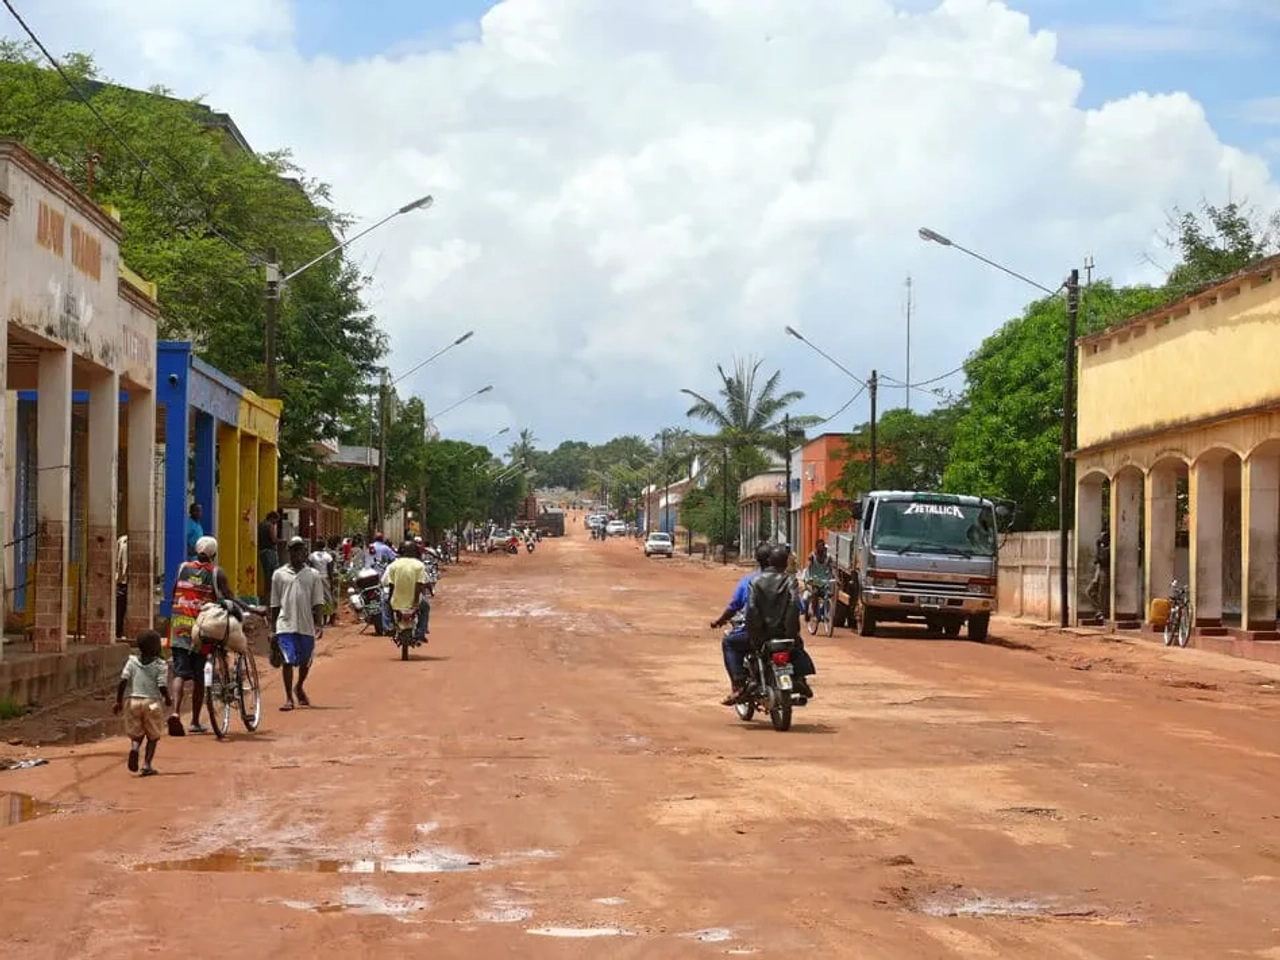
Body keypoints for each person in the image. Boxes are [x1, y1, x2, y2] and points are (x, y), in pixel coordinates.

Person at [168, 536, 237, 736]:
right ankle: (196, 721)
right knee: (200, 677)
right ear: (213, 554)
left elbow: (174, 592)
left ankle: (175, 713)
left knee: (180, 673)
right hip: (202, 629)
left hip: (179, 625)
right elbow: (229, 598)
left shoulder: (182, 568)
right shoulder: (216, 572)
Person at [746, 545, 816, 699]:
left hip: (763, 634)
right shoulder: (790, 581)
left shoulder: (755, 581)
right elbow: (793, 606)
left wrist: (756, 633)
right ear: (785, 564)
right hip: (785, 633)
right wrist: (790, 632)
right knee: (798, 648)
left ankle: (752, 680)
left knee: (752, 652)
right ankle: (799, 678)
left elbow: (751, 609)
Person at [710, 542, 773, 706]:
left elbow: (734, 606)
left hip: (756, 634)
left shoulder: (749, 582)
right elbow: (801, 607)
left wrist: (719, 621)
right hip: (784, 634)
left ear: (757, 560)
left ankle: (738, 684)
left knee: (729, 642)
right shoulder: (788, 580)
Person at [271, 536, 326, 711]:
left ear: (305, 552)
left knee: (305, 661)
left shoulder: (313, 575)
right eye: (293, 550)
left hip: (306, 625)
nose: (297, 553)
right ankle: (288, 698)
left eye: (300, 549)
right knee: (287, 660)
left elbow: (318, 601)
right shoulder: (279, 574)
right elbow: (274, 603)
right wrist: (272, 629)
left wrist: (319, 623)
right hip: (285, 624)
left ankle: (299, 686)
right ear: (289, 552)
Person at [113, 630, 172, 776]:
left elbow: (123, 681)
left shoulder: (132, 661)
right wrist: (168, 698)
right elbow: (162, 685)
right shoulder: (160, 664)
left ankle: (134, 747)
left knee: (137, 732)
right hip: (152, 703)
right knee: (153, 736)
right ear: (156, 647)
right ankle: (147, 765)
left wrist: (118, 701)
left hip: (133, 702)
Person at [381, 539, 432, 643]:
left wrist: (391, 599)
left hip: (396, 601)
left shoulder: (393, 565)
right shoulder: (419, 565)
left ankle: (388, 627)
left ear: (400, 551)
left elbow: (390, 584)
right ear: (415, 552)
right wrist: (415, 602)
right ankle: (421, 632)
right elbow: (420, 585)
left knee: (384, 602)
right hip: (414, 602)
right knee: (426, 607)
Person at [801, 538, 836, 622]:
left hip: (824, 580)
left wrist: (834, 578)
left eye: (823, 546)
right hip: (813, 579)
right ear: (816, 547)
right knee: (815, 593)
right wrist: (809, 578)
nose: (822, 547)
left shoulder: (828, 557)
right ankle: (812, 610)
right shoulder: (812, 556)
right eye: (820, 546)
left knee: (829, 594)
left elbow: (831, 569)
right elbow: (808, 568)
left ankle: (825, 612)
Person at [308, 538, 336, 627]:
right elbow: (330, 571)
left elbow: (309, 568)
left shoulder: (312, 556)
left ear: (316, 546)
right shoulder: (328, 556)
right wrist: (331, 583)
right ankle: (325, 619)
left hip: (314, 578)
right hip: (325, 578)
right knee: (326, 599)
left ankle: (316, 620)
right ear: (324, 546)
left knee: (315, 598)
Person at [1085, 529, 1111, 619]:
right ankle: (1100, 609)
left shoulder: (1108, 549)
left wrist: (1099, 548)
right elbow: (1096, 560)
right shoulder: (1102, 549)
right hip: (1098, 572)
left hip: (1105, 572)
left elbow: (1102, 559)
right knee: (1089, 591)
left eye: (1104, 537)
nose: (1102, 539)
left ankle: (1103, 612)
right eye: (1101, 537)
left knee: (1103, 594)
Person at [258, 510, 280, 590]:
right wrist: (278, 540)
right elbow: (273, 539)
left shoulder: (260, 525)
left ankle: (266, 593)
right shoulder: (270, 525)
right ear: (272, 518)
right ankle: (272, 592)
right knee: (274, 574)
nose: (276, 523)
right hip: (270, 552)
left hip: (262, 552)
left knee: (266, 575)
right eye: (276, 520)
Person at [115, 532, 129, 640]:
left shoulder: (121, 542)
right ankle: (118, 631)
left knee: (120, 608)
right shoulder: (125, 544)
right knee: (121, 608)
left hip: (121, 582)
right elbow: (124, 565)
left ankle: (118, 631)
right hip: (124, 582)